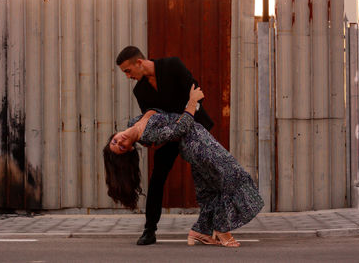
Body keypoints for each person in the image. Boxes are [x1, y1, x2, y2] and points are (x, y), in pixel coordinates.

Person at [103, 86, 264, 247]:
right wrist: (192, 101)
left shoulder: (134, 122)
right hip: (199, 146)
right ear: (131, 149)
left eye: (115, 141)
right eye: (121, 147)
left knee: (209, 190)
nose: (120, 141)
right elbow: (179, 129)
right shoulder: (147, 136)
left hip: (200, 138)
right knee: (233, 176)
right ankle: (222, 230)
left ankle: (200, 231)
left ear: (114, 135)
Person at [115, 46, 214, 245]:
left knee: (206, 177)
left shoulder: (172, 65)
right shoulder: (140, 90)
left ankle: (211, 226)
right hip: (169, 136)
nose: (128, 76)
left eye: (128, 71)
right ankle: (149, 230)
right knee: (157, 178)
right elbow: (152, 115)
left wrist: (184, 122)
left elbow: (197, 95)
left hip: (194, 129)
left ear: (139, 63)